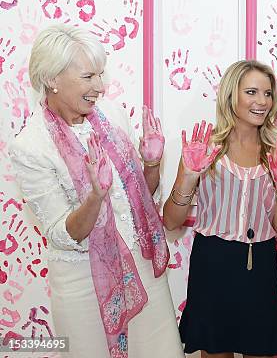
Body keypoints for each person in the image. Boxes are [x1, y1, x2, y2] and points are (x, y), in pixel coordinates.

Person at [9, 24, 184, 357]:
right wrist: (95, 197)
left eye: (100, 75)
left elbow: (139, 202)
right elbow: (62, 234)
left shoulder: (112, 116)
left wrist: (151, 163)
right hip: (83, 286)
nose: (100, 87)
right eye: (88, 77)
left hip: (141, 268)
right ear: (52, 79)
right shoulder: (30, 146)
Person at [163, 60, 277, 358]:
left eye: (267, 93)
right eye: (252, 91)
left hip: (260, 263)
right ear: (230, 96)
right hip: (212, 261)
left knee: (263, 351)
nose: (262, 101)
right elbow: (171, 221)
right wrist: (188, 175)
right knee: (215, 353)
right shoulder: (205, 148)